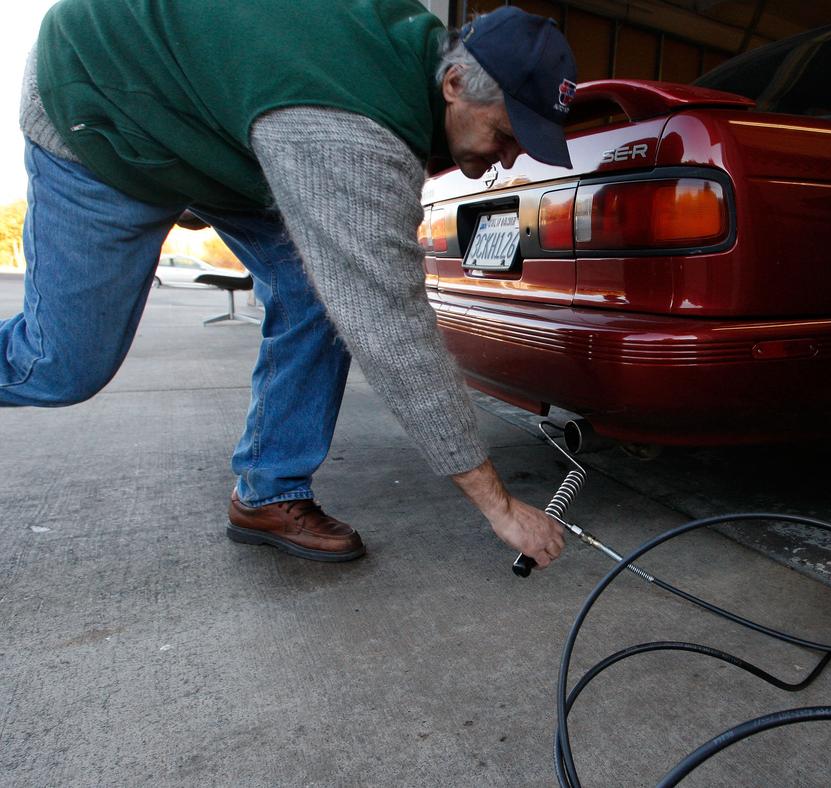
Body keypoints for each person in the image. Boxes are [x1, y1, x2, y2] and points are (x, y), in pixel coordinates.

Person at [1, 1, 575, 568]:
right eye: (505, 131)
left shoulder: (404, 61)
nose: (507, 156)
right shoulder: (351, 124)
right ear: (454, 82)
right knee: (59, 364)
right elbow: (389, 325)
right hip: (103, 98)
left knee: (316, 290)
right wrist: (497, 505)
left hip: (217, 124)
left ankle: (268, 491)